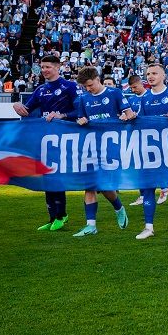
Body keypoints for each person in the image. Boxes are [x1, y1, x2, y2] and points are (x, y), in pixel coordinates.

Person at [122, 64, 168, 239]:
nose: (150, 76)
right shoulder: (145, 99)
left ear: (163, 75)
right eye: (148, 74)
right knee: (148, 187)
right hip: (150, 149)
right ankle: (148, 227)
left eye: (154, 73)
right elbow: (141, 120)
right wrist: (129, 117)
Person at [13, 55, 79, 231]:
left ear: (58, 67)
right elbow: (27, 111)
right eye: (42, 67)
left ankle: (61, 215)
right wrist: (18, 107)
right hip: (45, 140)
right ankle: (52, 218)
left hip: (64, 139)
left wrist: (62, 116)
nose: (44, 70)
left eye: (48, 67)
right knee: (46, 177)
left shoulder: (69, 87)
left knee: (56, 177)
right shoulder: (41, 90)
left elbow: (80, 110)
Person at [69, 67, 134, 236]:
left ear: (97, 78)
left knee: (104, 185)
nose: (88, 89)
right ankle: (91, 225)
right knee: (90, 185)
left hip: (112, 147)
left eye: (90, 85)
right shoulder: (84, 99)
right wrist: (80, 120)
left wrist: (126, 116)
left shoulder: (115, 93)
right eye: (85, 86)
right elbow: (81, 119)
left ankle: (118, 208)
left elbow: (130, 114)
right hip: (91, 146)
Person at [125, 75, 168, 207]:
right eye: (131, 88)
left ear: (141, 84)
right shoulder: (131, 99)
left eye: (135, 87)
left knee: (158, 164)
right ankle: (143, 195)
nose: (133, 90)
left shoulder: (151, 95)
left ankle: (164, 189)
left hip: (155, 137)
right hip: (138, 137)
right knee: (141, 167)